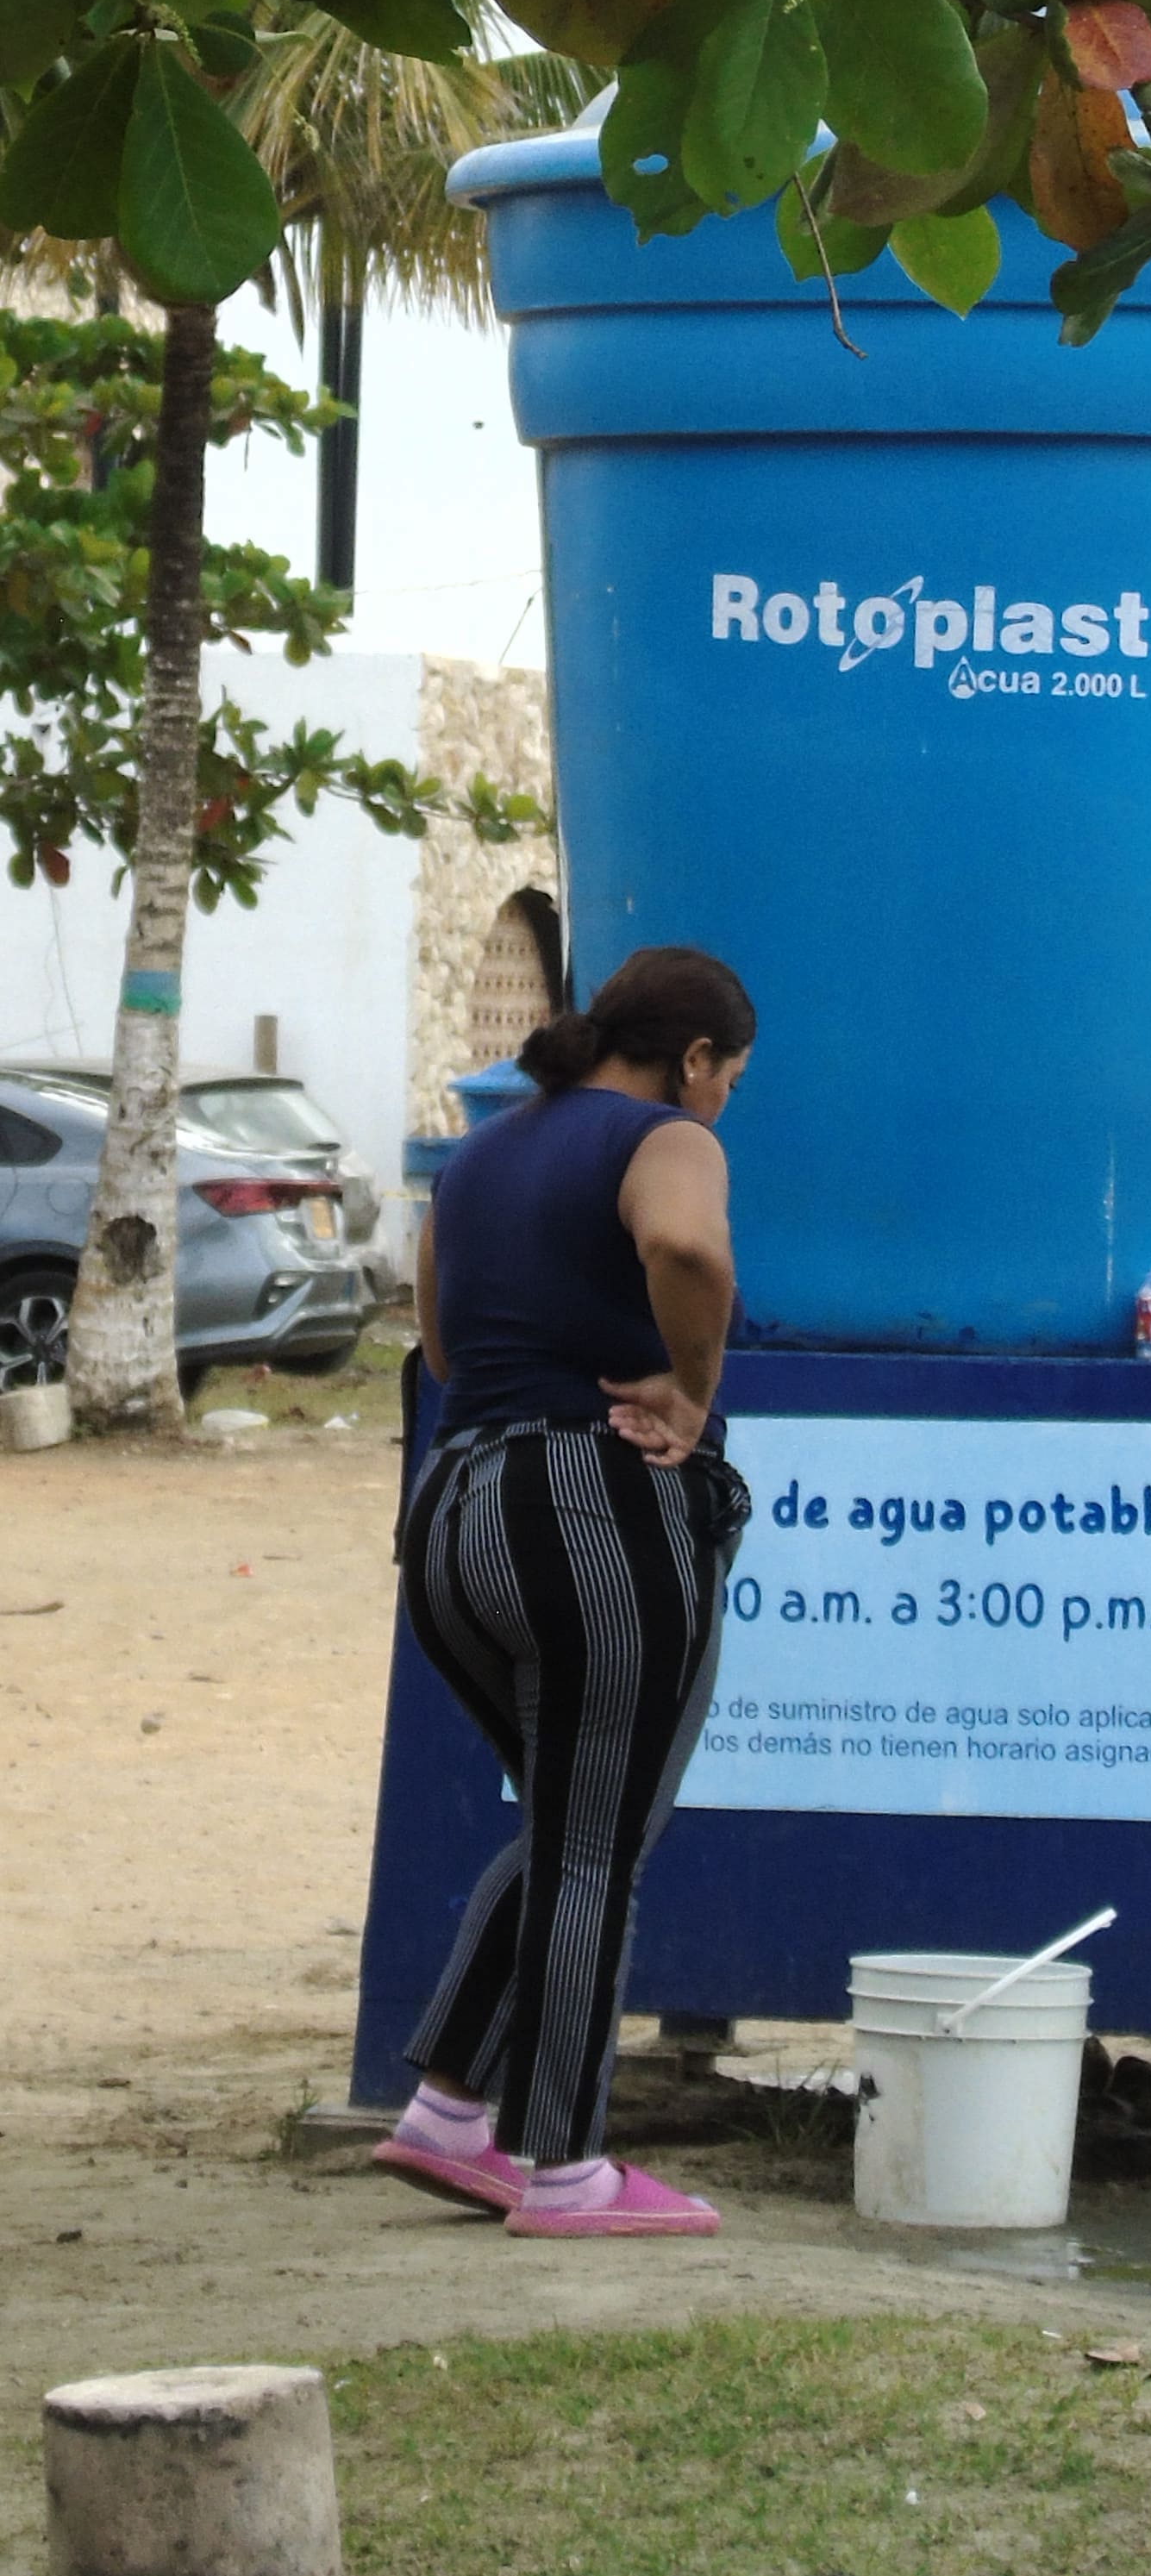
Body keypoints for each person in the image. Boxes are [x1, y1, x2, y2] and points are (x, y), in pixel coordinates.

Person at [372, 946, 757, 2240]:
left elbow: (436, 1336)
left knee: (564, 1820)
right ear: (695, 1058)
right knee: (597, 1839)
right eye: (729, 1080)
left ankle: (446, 2114)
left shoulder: (479, 1154)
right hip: (583, 1507)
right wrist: (691, 1395)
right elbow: (688, 1250)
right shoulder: (664, 1136)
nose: (722, 1106)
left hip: (450, 1516)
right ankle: (568, 2167)